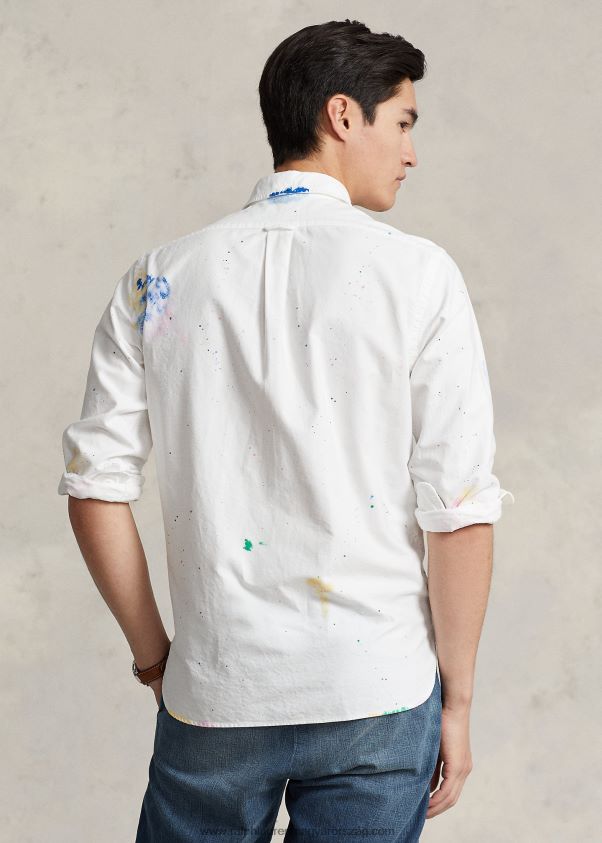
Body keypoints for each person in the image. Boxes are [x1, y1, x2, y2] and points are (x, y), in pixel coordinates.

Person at [58, 18, 514, 843]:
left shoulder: (161, 279)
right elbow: (459, 510)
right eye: (403, 122)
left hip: (217, 688)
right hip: (376, 688)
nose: (411, 153)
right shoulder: (419, 276)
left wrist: (156, 659)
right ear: (343, 115)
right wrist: (460, 700)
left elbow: (95, 488)